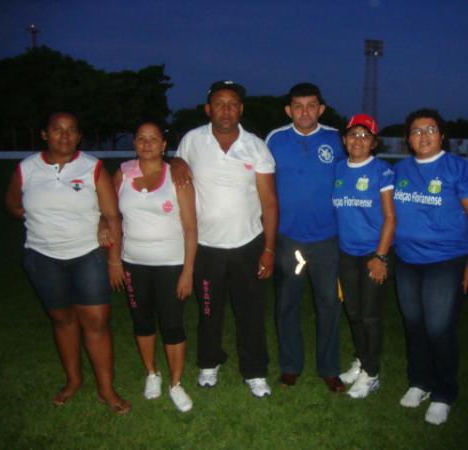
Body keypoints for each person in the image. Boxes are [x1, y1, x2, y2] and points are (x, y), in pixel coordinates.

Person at [4, 111, 131, 415]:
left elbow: (112, 214)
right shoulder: (27, 168)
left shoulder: (92, 167)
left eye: (71, 130)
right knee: (62, 320)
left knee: (97, 322)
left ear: (79, 136)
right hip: (42, 257)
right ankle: (73, 381)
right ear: (45, 134)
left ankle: (105, 389)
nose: (64, 135)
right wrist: (36, 218)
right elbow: (12, 204)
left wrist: (114, 259)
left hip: (87, 254)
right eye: (57, 129)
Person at [171, 80, 278, 398]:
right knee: (208, 310)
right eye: (219, 103)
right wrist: (175, 160)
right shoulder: (192, 140)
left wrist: (269, 248)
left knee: (251, 312)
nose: (226, 109)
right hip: (206, 247)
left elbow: (270, 201)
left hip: (248, 243)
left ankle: (255, 372)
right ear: (208, 109)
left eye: (233, 103)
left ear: (241, 108)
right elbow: (177, 166)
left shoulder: (256, 145)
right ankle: (208, 363)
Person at [393, 108, 468, 425]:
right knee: (414, 325)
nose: (423, 135)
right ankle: (419, 382)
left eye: (430, 129)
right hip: (406, 260)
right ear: (408, 138)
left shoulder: (458, 168)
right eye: (416, 130)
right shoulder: (401, 169)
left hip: (445, 261)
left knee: (438, 327)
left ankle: (444, 393)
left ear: (441, 135)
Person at [265, 83, 346, 392]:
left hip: (327, 239)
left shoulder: (336, 138)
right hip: (289, 240)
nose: (304, 111)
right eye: (298, 106)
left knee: (328, 304)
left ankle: (329, 368)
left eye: (311, 105)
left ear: (321, 109)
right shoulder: (275, 139)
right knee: (287, 304)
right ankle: (290, 366)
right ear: (289, 110)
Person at [112, 121, 197, 412]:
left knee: (172, 324)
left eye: (153, 139)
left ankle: (175, 383)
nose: (147, 144)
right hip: (133, 263)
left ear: (163, 145)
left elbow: (190, 227)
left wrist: (188, 271)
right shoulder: (122, 174)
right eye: (141, 139)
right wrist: (112, 254)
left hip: (171, 264)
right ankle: (152, 373)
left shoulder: (177, 176)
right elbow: (110, 215)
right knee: (142, 322)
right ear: (134, 143)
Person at [332, 114, 396, 398]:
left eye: (365, 135)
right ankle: (362, 360)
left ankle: (372, 373)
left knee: (370, 316)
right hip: (346, 254)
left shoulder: (382, 171)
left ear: (374, 142)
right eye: (353, 135)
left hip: (372, 254)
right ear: (344, 141)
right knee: (354, 312)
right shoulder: (337, 169)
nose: (358, 140)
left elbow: (390, 218)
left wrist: (380, 257)